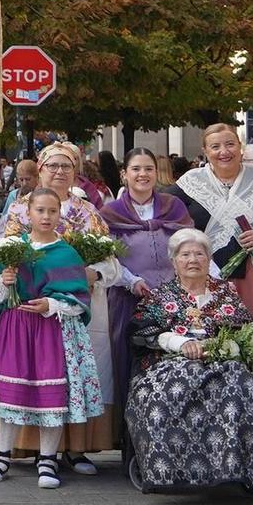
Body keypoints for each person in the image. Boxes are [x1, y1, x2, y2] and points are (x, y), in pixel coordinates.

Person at [125, 229, 253, 504]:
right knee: (170, 392)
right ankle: (172, 474)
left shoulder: (226, 293)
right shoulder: (160, 296)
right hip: (172, 364)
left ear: (209, 259)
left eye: (199, 254)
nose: (193, 260)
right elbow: (140, 333)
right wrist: (179, 343)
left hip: (225, 365)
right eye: (185, 254)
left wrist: (227, 347)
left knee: (252, 393)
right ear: (174, 261)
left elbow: (249, 332)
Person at [1, 141, 129, 471]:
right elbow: (6, 255)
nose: (59, 172)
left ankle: (76, 448)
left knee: (76, 374)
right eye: (52, 166)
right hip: (33, 308)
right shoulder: (21, 209)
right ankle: (32, 448)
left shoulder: (88, 211)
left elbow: (112, 262)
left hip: (77, 307)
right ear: (40, 169)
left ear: (76, 172)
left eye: (66, 166)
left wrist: (92, 273)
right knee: (33, 371)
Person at [0, 188, 103, 489]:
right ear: (28, 213)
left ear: (60, 214)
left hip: (50, 330)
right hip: (16, 327)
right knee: (11, 390)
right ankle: (2, 455)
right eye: (40, 210)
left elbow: (79, 299)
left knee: (51, 395)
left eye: (52, 211)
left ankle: (48, 459)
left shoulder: (66, 253)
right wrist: (5, 281)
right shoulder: (11, 248)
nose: (46, 216)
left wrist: (52, 303)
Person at [167, 123, 253, 350]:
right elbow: (164, 217)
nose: (224, 151)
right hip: (205, 273)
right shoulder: (190, 183)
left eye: (230, 144)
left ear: (240, 147)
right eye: (215, 146)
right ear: (205, 151)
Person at [98, 148, 188, 427]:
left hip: (174, 299)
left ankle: (171, 428)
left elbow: (188, 245)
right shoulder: (110, 213)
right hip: (129, 300)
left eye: (148, 168)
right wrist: (132, 280)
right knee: (128, 363)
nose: (143, 174)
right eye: (136, 169)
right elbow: (106, 257)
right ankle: (129, 434)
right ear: (124, 174)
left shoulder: (173, 207)